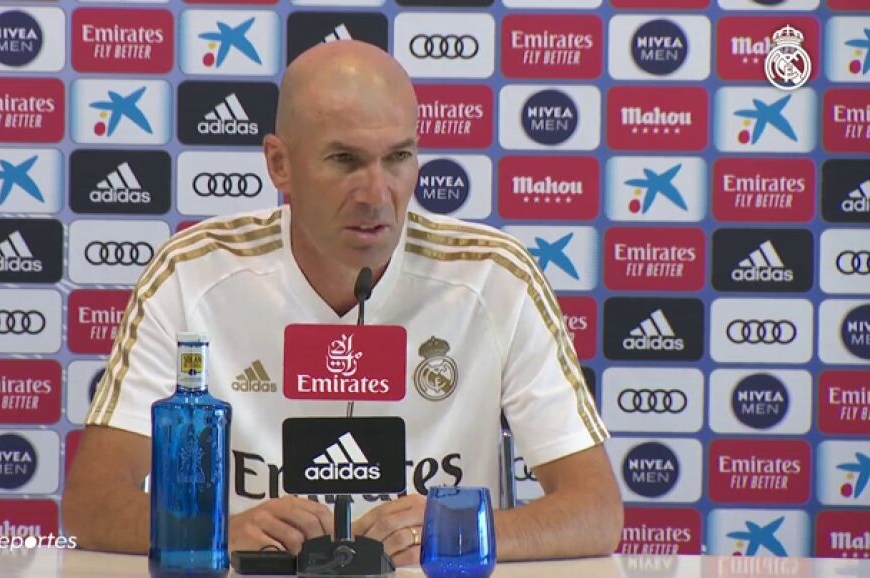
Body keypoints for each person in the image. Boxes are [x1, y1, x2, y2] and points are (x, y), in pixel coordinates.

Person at [63, 40, 622, 565]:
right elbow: (91, 505)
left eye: (398, 156)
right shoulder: (192, 272)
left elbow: (596, 510)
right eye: (345, 160)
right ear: (280, 164)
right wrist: (217, 534)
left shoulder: (494, 276)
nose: (377, 194)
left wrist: (459, 532)